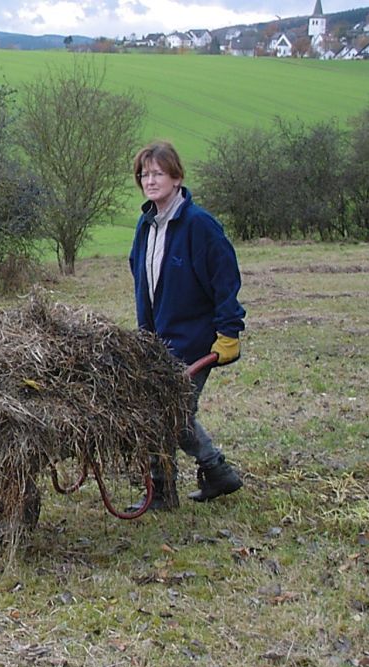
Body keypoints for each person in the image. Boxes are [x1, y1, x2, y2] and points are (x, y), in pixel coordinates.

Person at [128, 141, 245, 510]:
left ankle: (202, 476)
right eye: (145, 174)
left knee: (172, 415)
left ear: (177, 177)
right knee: (158, 414)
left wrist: (229, 331)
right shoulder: (146, 225)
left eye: (158, 173)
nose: (150, 180)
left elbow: (225, 278)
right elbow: (143, 282)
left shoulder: (199, 225)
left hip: (194, 340)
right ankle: (181, 485)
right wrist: (145, 337)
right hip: (158, 343)